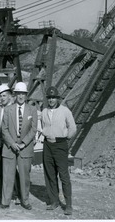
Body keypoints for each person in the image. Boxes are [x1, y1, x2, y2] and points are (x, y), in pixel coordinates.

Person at [0, 82, 38, 210]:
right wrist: (12, 143)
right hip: (10, 147)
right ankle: (5, 201)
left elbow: (33, 129)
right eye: (18, 93)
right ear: (15, 95)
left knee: (24, 176)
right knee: (8, 175)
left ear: (26, 95)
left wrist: (23, 143)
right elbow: (4, 129)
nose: (20, 96)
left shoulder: (32, 110)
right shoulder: (8, 109)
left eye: (23, 93)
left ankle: (25, 200)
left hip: (25, 148)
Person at [41, 86, 77, 216]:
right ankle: (54, 201)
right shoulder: (44, 111)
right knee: (50, 174)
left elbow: (72, 127)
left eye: (54, 98)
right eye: (49, 98)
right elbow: (42, 126)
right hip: (47, 144)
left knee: (63, 175)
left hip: (60, 145)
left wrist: (65, 137)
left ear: (58, 98)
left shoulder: (65, 111)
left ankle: (68, 205)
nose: (51, 100)